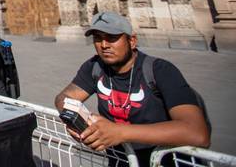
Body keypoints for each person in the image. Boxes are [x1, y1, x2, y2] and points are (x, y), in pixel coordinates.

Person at [55, 11, 210, 166]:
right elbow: (64, 98)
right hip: (121, 160)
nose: (104, 45)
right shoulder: (94, 67)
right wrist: (79, 122)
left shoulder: (160, 71)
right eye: (98, 38)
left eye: (112, 38)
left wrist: (119, 132)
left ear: (132, 41)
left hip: (163, 161)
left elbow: (197, 132)